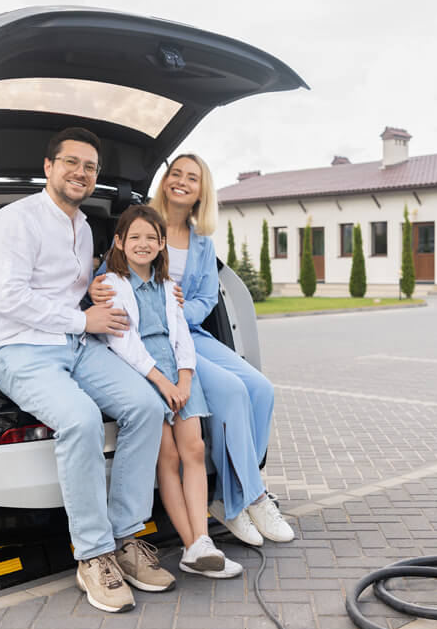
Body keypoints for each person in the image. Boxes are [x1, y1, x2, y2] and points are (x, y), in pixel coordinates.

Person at [0, 127, 174, 614]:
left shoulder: (84, 225)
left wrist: (104, 289)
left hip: (78, 345)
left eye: (89, 167)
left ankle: (127, 539)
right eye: (71, 162)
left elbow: (79, 285)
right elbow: (9, 298)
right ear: (48, 167)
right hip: (20, 349)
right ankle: (93, 555)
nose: (81, 173)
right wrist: (81, 317)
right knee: (81, 420)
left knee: (147, 406)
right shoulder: (13, 221)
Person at [91, 154, 294, 546]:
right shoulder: (141, 222)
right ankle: (245, 498)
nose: (182, 182)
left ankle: (233, 495)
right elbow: (107, 276)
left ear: (203, 191)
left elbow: (205, 298)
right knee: (233, 392)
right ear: (165, 181)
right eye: (176, 174)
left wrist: (180, 311)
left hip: (191, 333)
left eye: (193, 178)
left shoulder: (202, 243)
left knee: (260, 388)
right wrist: (91, 289)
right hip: (155, 340)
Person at [99, 204, 243, 579]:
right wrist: (161, 383)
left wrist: (183, 380)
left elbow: (182, 337)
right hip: (144, 375)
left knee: (194, 449)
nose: (143, 244)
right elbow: (123, 343)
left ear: (163, 244)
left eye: (151, 237)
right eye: (135, 237)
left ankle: (202, 543)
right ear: (119, 242)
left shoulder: (168, 287)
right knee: (168, 457)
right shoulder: (113, 286)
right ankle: (190, 542)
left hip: (178, 376)